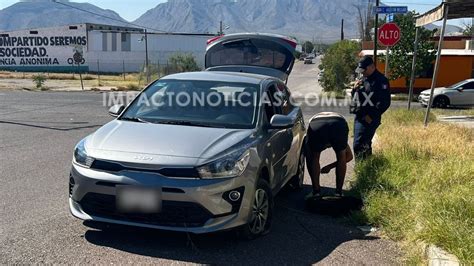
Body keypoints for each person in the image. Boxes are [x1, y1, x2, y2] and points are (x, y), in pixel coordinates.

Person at [305, 112, 353, 198]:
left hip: (317, 124)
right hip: (338, 123)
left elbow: (310, 159)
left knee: (314, 157)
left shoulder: (315, 136)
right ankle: (339, 193)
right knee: (341, 156)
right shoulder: (338, 138)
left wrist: (329, 166)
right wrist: (330, 166)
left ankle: (316, 192)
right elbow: (348, 156)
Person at [351, 56, 391, 159]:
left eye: (364, 70)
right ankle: (367, 167)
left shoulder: (381, 81)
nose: (362, 72)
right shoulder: (363, 79)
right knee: (362, 144)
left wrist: (371, 116)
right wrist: (354, 90)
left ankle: (362, 169)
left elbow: (384, 103)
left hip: (370, 118)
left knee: (360, 144)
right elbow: (355, 98)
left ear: (372, 67)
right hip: (360, 116)